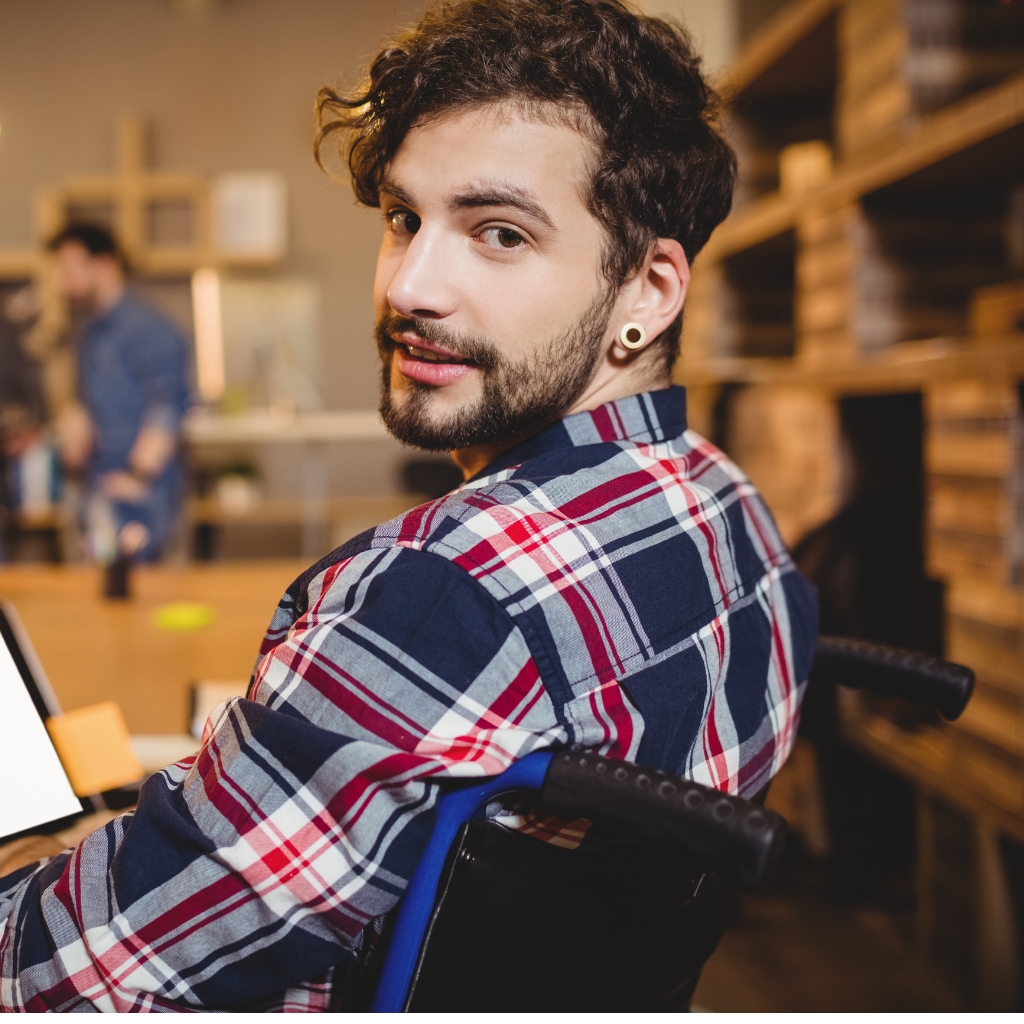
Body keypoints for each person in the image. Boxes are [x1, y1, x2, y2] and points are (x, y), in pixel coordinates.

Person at [0, 0, 818, 1010]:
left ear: (649, 291)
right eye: (402, 218)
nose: (409, 286)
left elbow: (70, 975)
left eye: (500, 233)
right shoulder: (728, 503)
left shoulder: (441, 592)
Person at [47, 223, 189, 562]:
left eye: (70, 269)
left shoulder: (148, 328)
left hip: (141, 495)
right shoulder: (90, 330)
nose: (61, 280)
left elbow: (168, 407)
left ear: (105, 265)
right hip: (100, 485)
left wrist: (137, 476)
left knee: (140, 597)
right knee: (103, 594)